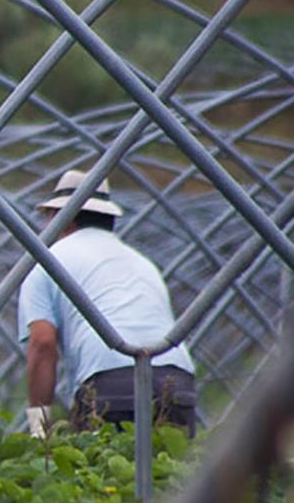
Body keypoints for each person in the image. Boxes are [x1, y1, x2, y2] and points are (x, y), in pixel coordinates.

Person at [17, 168, 197, 437]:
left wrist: (38, 428)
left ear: (62, 219)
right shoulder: (141, 262)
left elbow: (42, 343)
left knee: (99, 473)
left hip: (109, 383)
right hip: (176, 381)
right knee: (172, 475)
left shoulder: (48, 262)